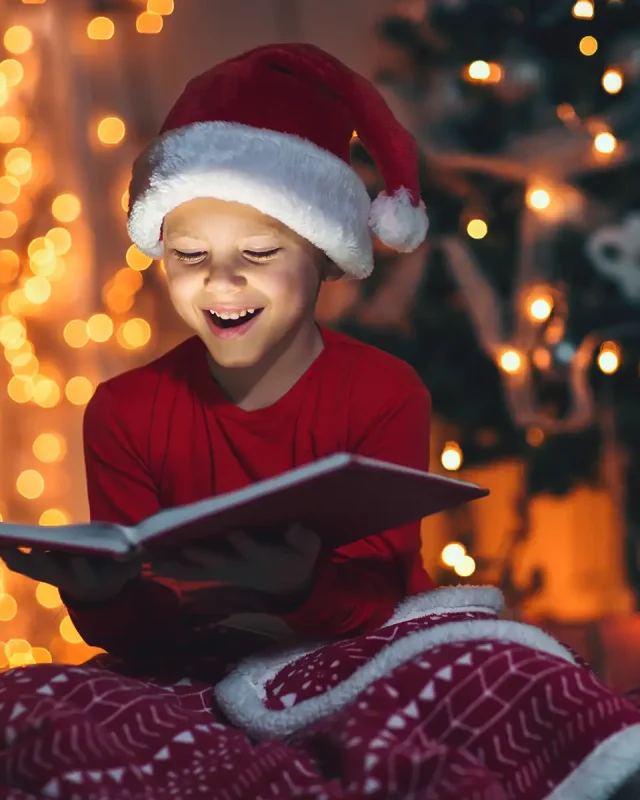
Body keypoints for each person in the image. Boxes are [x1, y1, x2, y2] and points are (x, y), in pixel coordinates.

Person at [2, 42, 434, 663]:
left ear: (324, 260)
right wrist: (100, 597)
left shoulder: (385, 393)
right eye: (190, 256)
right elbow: (138, 638)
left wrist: (296, 587)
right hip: (195, 667)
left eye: (258, 254)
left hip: (365, 659)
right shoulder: (124, 411)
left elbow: (381, 602)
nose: (221, 282)